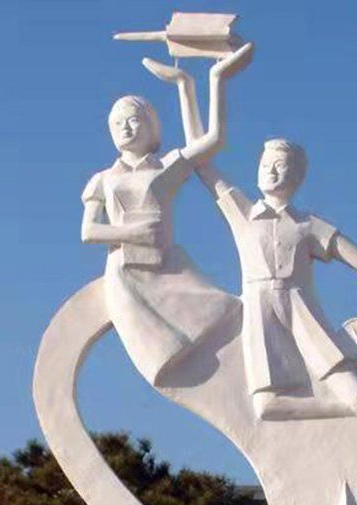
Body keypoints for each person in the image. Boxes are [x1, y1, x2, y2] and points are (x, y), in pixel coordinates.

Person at [143, 61, 357, 420]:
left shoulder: (308, 225)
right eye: (265, 164)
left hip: (303, 313)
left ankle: (347, 417)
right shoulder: (243, 213)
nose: (271, 171)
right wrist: (187, 86)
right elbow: (201, 161)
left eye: (280, 165)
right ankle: (337, 418)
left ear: (297, 174)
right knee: (266, 405)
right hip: (260, 312)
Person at [80, 43, 253, 385]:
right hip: (126, 272)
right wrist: (133, 233)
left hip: (166, 268)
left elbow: (212, 140)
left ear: (151, 125)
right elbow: (89, 231)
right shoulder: (102, 179)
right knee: (163, 349)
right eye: (117, 123)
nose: (126, 128)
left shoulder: (165, 167)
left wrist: (193, 84)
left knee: (225, 313)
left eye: (133, 120)